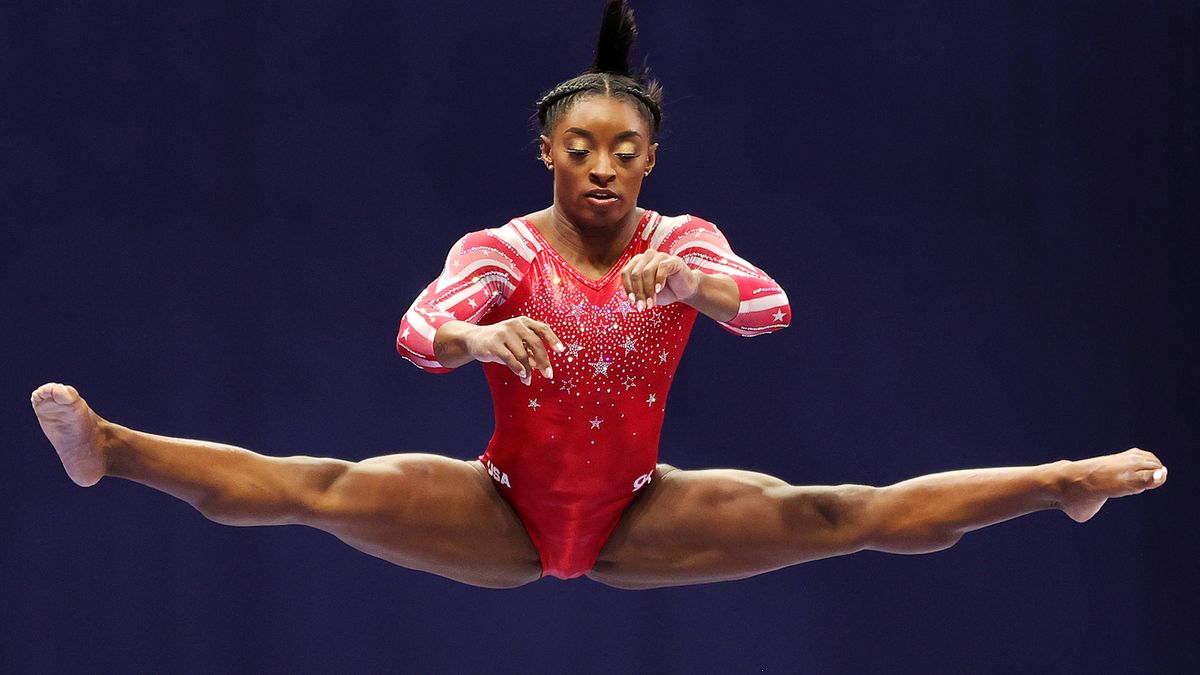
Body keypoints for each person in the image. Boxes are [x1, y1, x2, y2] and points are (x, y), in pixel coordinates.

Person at [31, 0, 1166, 590]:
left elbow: (770, 309)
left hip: (637, 511)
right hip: (500, 508)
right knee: (318, 488)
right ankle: (113, 447)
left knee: (844, 516)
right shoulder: (503, 246)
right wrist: (476, 337)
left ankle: (1061, 482)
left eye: (626, 149)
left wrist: (702, 290)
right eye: (582, 147)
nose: (605, 167)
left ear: (651, 161)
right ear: (547, 154)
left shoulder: (684, 240)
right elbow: (417, 330)